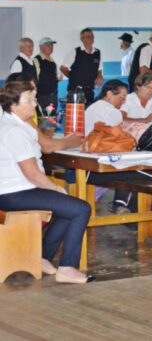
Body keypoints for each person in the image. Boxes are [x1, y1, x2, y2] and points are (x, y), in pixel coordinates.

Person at [0, 80, 93, 284]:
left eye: (34, 99)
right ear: (13, 104)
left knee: (67, 208)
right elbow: (32, 173)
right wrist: (54, 188)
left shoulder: (14, 123)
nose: (35, 104)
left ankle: (42, 257)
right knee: (81, 209)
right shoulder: (13, 131)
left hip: (16, 191)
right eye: (30, 100)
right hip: (15, 194)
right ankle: (67, 268)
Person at [83, 80, 152, 214]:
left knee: (131, 170)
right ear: (109, 94)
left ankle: (120, 202)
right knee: (147, 173)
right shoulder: (112, 112)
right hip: (101, 168)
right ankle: (131, 216)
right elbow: (120, 141)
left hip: (87, 165)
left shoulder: (92, 107)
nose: (123, 101)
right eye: (122, 97)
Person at [60, 28, 103, 105]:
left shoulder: (98, 52)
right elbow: (63, 68)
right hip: (75, 90)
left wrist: (99, 76)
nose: (90, 38)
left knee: (88, 114)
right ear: (81, 39)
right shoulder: (75, 51)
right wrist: (73, 77)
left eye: (92, 36)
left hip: (89, 90)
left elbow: (99, 69)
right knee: (75, 115)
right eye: (87, 36)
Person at [33, 37, 59, 113]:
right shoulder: (36, 60)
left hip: (52, 97)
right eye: (48, 45)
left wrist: (57, 78)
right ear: (41, 47)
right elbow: (34, 79)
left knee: (51, 120)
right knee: (43, 120)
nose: (51, 47)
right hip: (42, 97)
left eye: (51, 45)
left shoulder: (53, 62)